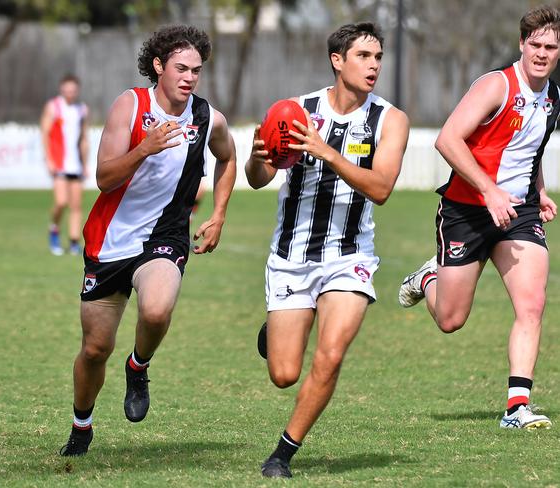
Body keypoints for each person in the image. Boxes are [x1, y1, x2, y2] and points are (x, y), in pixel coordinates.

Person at [59, 25, 237, 456]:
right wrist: (145, 148)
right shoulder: (131, 105)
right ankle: (82, 424)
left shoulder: (207, 118)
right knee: (95, 349)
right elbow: (103, 178)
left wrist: (218, 214)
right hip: (109, 242)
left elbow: (228, 157)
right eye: (181, 68)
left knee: (156, 309)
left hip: (164, 238)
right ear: (158, 66)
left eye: (196, 70)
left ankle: (138, 366)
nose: (190, 77)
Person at [245, 22, 409, 478]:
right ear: (338, 60)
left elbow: (381, 188)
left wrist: (327, 152)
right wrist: (260, 155)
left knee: (332, 353)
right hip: (292, 256)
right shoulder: (298, 109)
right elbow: (257, 179)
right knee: (284, 374)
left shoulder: (390, 120)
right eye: (363, 56)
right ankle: (278, 328)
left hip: (350, 256)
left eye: (378, 56)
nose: (374, 65)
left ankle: (282, 453)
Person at [398, 5, 560, 430]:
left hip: (518, 212)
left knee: (532, 304)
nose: (543, 53)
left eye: (551, 47)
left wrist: (538, 192)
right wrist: (488, 191)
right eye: (536, 45)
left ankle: (516, 408)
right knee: (451, 320)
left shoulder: (553, 96)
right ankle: (427, 279)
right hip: (467, 210)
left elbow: (530, 148)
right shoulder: (496, 86)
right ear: (522, 45)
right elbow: (447, 139)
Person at [40, 74, 89, 256]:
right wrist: (49, 159)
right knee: (61, 202)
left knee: (76, 206)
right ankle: (54, 228)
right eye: (67, 89)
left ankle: (74, 242)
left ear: (77, 91)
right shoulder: (53, 107)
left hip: (75, 164)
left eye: (73, 90)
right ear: (62, 89)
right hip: (59, 163)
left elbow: (83, 138)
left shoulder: (82, 109)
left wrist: (84, 163)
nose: (70, 93)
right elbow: (44, 134)